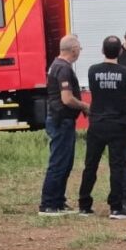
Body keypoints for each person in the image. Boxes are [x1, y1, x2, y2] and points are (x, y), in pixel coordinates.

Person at [77, 36, 126, 219]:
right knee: (118, 165)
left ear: (102, 50)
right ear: (120, 51)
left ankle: (84, 204)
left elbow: (95, 92)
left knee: (91, 164)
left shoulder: (93, 71)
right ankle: (117, 207)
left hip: (97, 124)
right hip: (119, 125)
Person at [39, 35, 90, 216]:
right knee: (59, 162)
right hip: (61, 121)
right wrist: (85, 106)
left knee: (64, 162)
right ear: (73, 49)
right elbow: (66, 99)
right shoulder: (63, 69)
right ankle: (48, 204)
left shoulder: (56, 65)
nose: (79, 52)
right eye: (79, 48)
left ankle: (58, 201)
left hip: (59, 120)